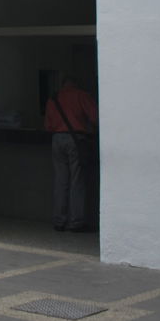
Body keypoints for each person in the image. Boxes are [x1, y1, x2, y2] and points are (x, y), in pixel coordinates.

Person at [44, 75, 98, 232]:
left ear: (62, 84)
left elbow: (48, 125)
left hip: (57, 140)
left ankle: (59, 221)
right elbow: (95, 118)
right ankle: (76, 222)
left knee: (60, 181)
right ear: (75, 84)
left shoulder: (53, 99)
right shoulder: (81, 95)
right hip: (76, 140)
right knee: (77, 181)